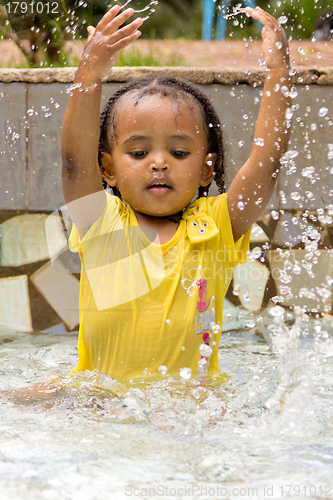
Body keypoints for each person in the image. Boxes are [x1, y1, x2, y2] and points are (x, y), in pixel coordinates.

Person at [61, 5, 291, 382]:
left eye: (179, 153)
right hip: (100, 404)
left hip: (188, 412)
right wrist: (89, 74)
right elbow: (74, 163)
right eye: (138, 153)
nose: (159, 163)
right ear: (107, 169)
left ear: (206, 168)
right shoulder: (101, 225)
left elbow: (267, 162)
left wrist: (279, 73)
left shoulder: (217, 225)